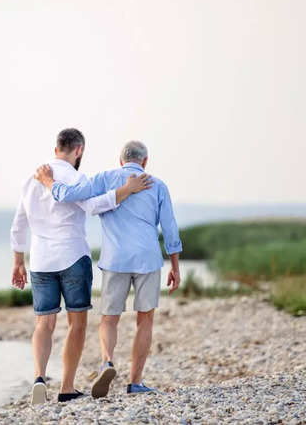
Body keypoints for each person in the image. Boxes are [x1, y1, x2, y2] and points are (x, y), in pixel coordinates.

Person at [10, 129, 151, 404]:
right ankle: (66, 387)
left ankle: (39, 377)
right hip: (73, 256)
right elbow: (95, 206)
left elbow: (18, 224)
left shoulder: (32, 179)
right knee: (76, 324)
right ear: (79, 150)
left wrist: (18, 261)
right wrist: (126, 190)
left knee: (44, 323)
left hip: (40, 260)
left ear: (56, 148)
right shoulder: (76, 178)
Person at [34, 140, 182, 398]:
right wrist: (175, 266)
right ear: (145, 161)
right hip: (148, 258)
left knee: (109, 319)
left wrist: (49, 183)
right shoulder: (157, 185)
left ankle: (107, 361)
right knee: (145, 320)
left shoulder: (104, 178)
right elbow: (169, 228)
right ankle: (135, 383)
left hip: (115, 259)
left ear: (120, 159)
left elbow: (69, 195)